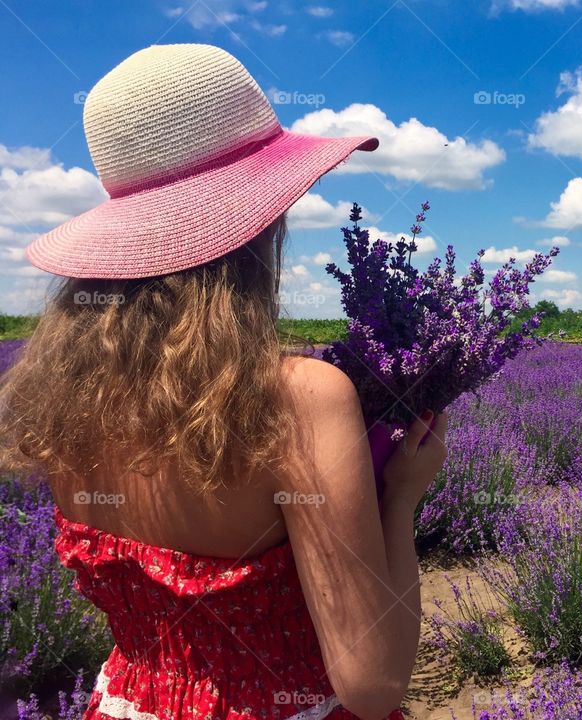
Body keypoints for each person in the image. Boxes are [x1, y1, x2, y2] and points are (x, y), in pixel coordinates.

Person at [0, 43, 447, 720]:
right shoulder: (298, 398)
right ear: (259, 223)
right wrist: (400, 499)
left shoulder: (62, 397)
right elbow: (374, 681)